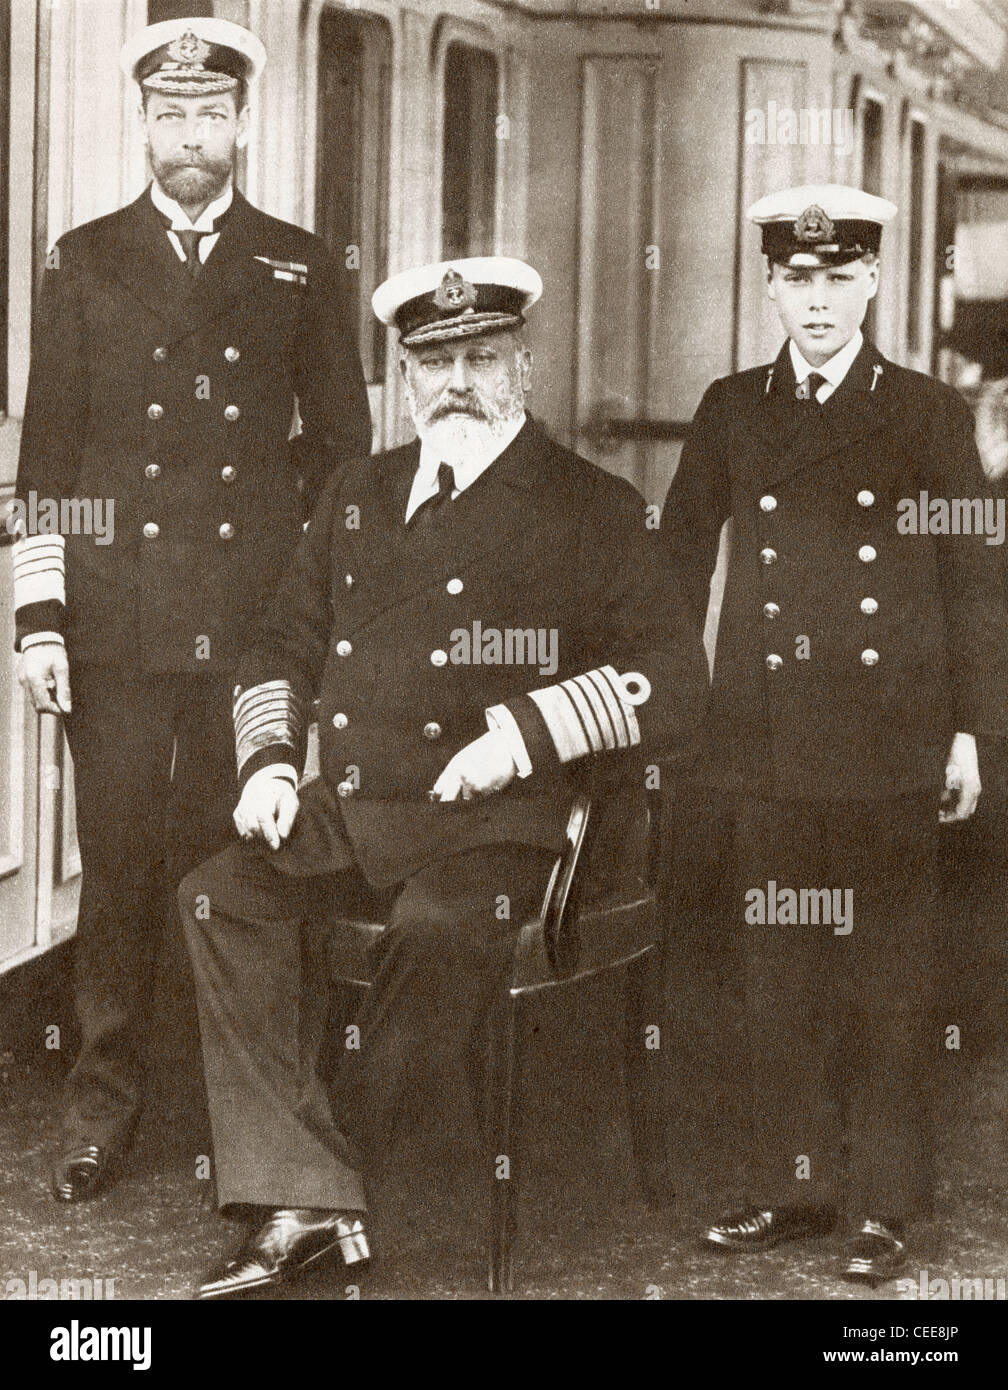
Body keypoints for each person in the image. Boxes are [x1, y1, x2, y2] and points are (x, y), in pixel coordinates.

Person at [178, 255, 708, 1297]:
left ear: (523, 366)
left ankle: (336, 1183)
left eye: (481, 358)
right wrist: (273, 763)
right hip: (362, 806)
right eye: (435, 362)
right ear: (405, 377)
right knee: (215, 897)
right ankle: (312, 1192)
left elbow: (675, 677)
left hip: (511, 826)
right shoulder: (358, 491)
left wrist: (522, 730)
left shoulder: (591, 504)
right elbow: (280, 645)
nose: (457, 382)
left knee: (434, 930)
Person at [8, 16, 371, 1203]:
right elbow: (47, 462)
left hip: (251, 636)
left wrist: (318, 625)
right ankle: (103, 1112)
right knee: (116, 866)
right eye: (171, 117)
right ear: (146, 125)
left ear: (241, 124)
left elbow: (347, 464)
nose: (190, 138)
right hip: (113, 629)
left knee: (238, 868)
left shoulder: (303, 267)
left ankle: (243, 1111)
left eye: (210, 116)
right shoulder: (83, 259)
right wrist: (42, 621)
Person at [660, 185, 1008, 1287]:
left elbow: (975, 587)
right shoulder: (730, 408)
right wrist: (674, 700)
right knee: (778, 969)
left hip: (891, 742)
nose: (814, 301)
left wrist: (971, 734)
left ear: (870, 284)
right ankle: (792, 1186)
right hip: (760, 743)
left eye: (836, 279)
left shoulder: (925, 416)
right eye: (795, 281)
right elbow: (673, 563)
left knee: (890, 975)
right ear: (770, 286)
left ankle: (887, 1206)